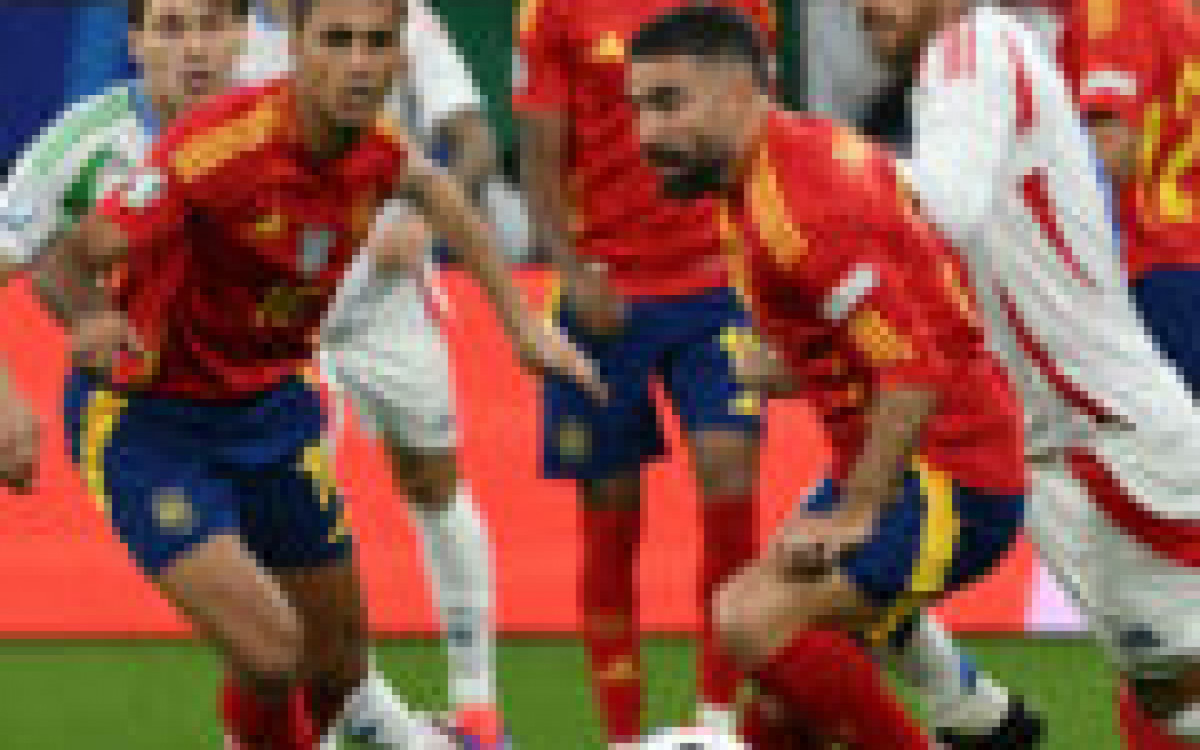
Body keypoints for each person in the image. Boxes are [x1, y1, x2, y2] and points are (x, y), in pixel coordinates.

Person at [42, 1, 600, 748]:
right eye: (336, 41)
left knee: (337, 672)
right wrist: (93, 321)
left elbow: (436, 190)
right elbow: (73, 252)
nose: (360, 61)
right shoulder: (212, 149)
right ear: (294, 50)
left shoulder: (376, 149)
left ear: (401, 55)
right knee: (275, 653)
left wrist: (522, 324)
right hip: (153, 424)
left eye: (377, 43)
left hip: (271, 409)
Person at [626, 6, 1030, 748]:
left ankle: (966, 712)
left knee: (749, 619)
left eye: (669, 103)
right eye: (639, 107)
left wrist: (858, 511)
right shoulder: (770, 169)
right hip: (903, 459)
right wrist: (787, 367)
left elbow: (913, 369)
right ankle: (979, 718)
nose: (646, 135)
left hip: (951, 472)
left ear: (742, 90)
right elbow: (889, 329)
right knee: (787, 698)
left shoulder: (802, 204)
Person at [852, 0, 1200, 748]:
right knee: (1161, 689)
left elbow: (947, 202)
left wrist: (817, 166)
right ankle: (975, 716)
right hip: (1053, 435)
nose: (860, 6)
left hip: (1109, 436)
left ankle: (973, 716)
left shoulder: (972, 48)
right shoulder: (967, 68)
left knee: (1174, 691)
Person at [239, 2, 513, 746]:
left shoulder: (403, 22)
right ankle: (316, 716)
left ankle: (476, 702)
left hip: (389, 307)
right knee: (293, 514)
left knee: (433, 482)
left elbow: (476, 139)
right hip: (284, 318)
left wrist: (425, 218)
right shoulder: (233, 32)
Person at [514, 0, 776, 741]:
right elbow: (538, 150)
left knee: (730, 477)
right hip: (606, 297)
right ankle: (624, 736)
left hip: (715, 288)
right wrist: (569, 269)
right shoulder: (550, 11)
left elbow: (764, 132)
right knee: (609, 517)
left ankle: (718, 720)